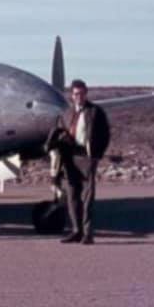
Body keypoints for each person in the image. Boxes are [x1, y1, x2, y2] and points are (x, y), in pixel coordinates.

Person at [49, 79, 110, 245]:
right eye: (76, 94)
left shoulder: (95, 112)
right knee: (72, 195)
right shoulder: (66, 114)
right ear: (72, 95)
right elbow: (59, 132)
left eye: (82, 93)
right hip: (69, 157)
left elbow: (105, 135)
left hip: (87, 157)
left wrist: (97, 155)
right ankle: (76, 231)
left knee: (87, 197)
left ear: (86, 93)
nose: (79, 97)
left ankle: (88, 233)